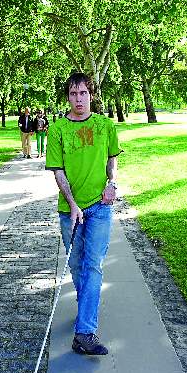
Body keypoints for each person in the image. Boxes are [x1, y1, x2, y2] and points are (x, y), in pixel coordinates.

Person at [45, 72, 121, 356]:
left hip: (100, 206)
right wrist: (73, 204)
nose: (79, 99)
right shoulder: (58, 129)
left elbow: (112, 160)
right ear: (68, 97)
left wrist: (112, 184)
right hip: (70, 211)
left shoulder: (105, 125)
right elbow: (58, 171)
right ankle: (86, 307)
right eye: (73, 94)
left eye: (83, 93)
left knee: (93, 266)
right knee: (77, 267)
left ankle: (85, 332)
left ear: (91, 95)